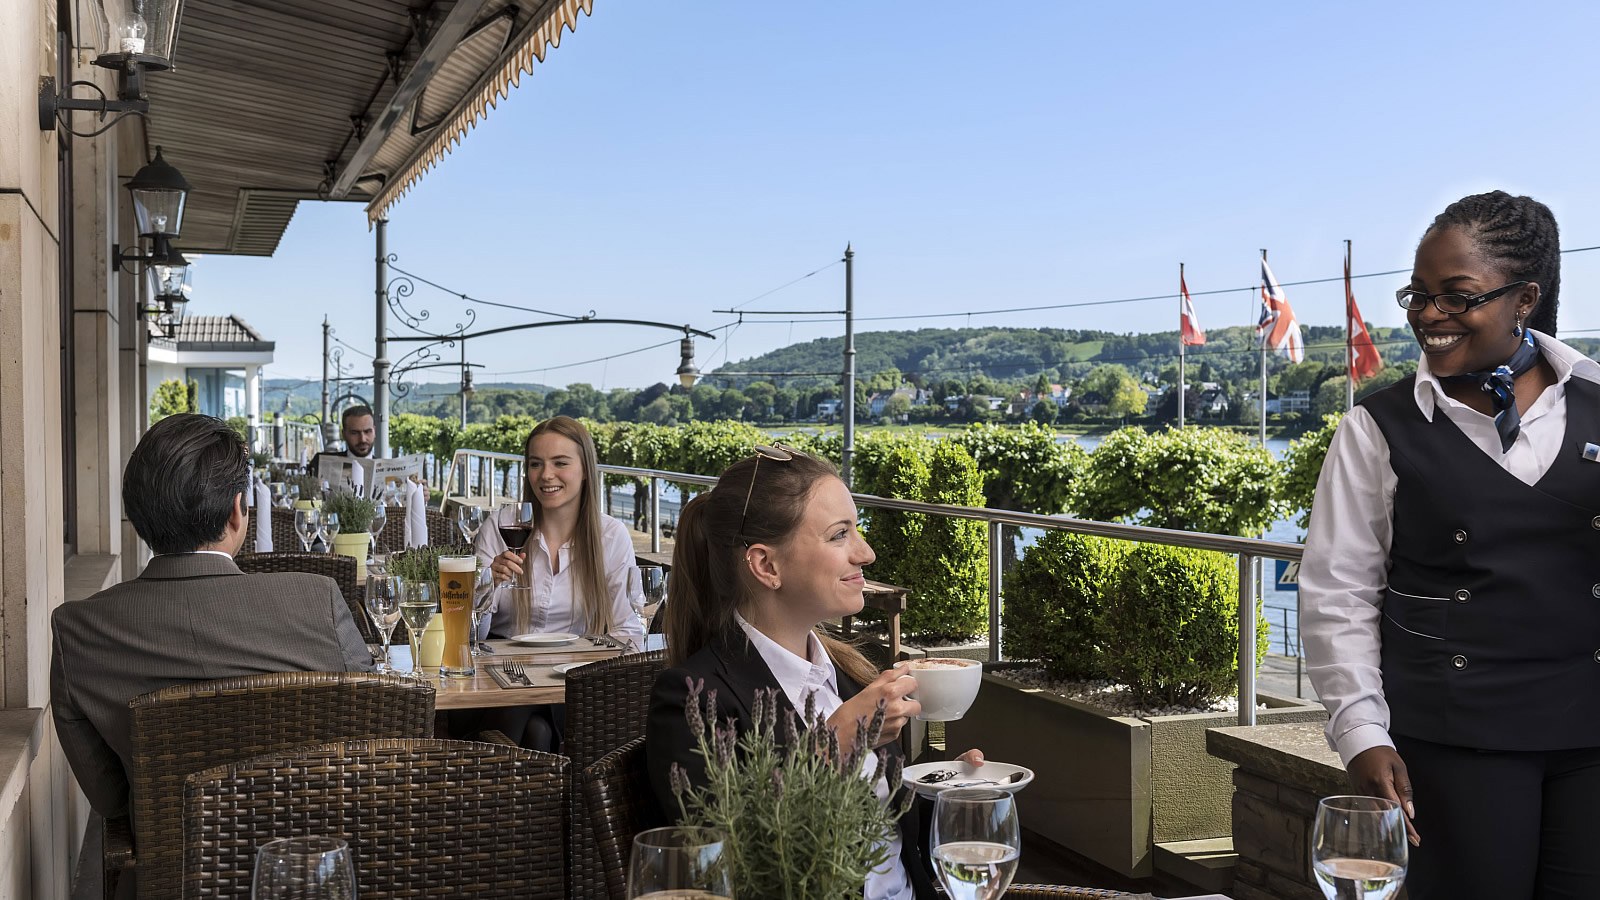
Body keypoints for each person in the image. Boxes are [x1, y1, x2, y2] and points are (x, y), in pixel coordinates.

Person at [1300, 191, 1600, 898]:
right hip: (1452, 737)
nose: (1429, 317)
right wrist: (1362, 732)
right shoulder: (1377, 428)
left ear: (1524, 297)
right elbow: (1338, 592)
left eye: (1456, 297)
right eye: (1419, 296)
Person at [645, 444, 981, 900]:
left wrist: (949, 790)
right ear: (767, 565)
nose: (866, 553)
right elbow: (729, 867)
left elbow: (894, 844)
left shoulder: (852, 672)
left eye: (856, 530)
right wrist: (829, 746)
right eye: (839, 534)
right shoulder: (693, 699)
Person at [50, 414, 373, 886]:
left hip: (175, 878)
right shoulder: (317, 600)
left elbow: (112, 799)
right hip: (315, 872)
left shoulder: (78, 630)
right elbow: (369, 734)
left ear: (139, 518)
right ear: (238, 511)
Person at [472, 416, 644, 749]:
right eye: (536, 464)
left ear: (584, 470)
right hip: (498, 681)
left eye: (560, 463)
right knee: (537, 729)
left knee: (539, 729)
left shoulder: (610, 537)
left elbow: (628, 629)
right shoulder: (500, 527)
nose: (546, 475)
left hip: (570, 681)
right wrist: (485, 584)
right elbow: (469, 637)